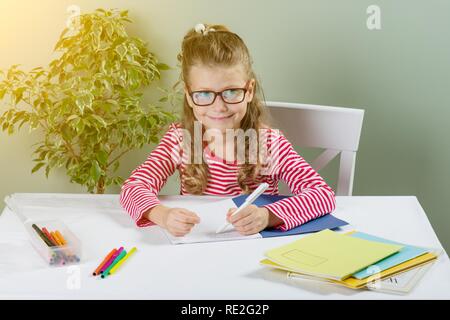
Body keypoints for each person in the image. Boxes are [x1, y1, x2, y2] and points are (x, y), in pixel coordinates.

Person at [120, 23, 336, 237]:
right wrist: (163, 216)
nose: (219, 107)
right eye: (204, 94)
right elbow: (133, 188)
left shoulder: (268, 143)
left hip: (254, 251)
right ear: (189, 95)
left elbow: (322, 195)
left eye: (231, 92)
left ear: (249, 90)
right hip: (197, 249)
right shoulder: (180, 139)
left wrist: (267, 216)